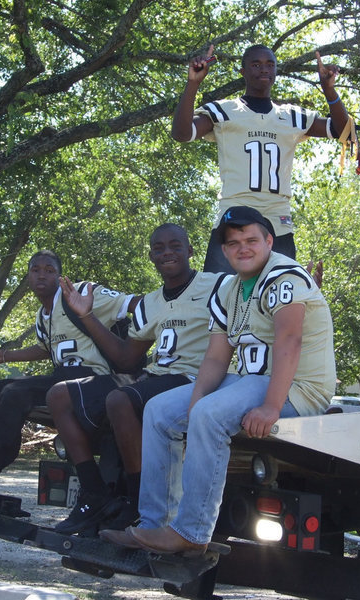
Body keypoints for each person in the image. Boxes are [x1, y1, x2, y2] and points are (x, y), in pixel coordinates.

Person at [100, 206, 336, 555]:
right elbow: (215, 357)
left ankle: (192, 534)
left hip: (296, 388)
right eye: (234, 242)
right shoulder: (229, 289)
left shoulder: (285, 274)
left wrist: (271, 407)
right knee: (159, 410)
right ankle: (153, 525)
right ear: (224, 251)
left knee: (209, 415)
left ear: (269, 241)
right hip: (249, 379)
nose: (243, 248)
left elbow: (290, 341)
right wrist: (195, 401)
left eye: (252, 240)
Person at [46, 224, 229, 534]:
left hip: (192, 378)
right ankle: (94, 494)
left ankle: (136, 500)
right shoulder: (150, 303)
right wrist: (88, 317)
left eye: (175, 245)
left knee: (120, 400)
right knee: (58, 395)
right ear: (151, 256)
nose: (167, 252)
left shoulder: (218, 285)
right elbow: (126, 359)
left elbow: (254, 302)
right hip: (155, 376)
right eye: (159, 248)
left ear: (190, 251)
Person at [0, 250, 136, 517]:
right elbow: (45, 349)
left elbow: (132, 303)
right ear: (27, 276)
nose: (42, 275)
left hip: (94, 377)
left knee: (16, 393)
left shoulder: (81, 293)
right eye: (36, 269)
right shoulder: (43, 316)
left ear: (59, 276)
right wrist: (3, 356)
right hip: (63, 378)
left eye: (50, 270)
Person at [171, 43, 350, 273]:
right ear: (243, 71)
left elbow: (342, 131)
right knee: (221, 297)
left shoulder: (291, 116)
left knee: (276, 301)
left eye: (270, 65)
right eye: (256, 64)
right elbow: (182, 134)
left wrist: (329, 90)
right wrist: (193, 83)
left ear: (276, 71)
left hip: (277, 222)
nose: (264, 69)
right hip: (234, 218)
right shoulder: (224, 111)